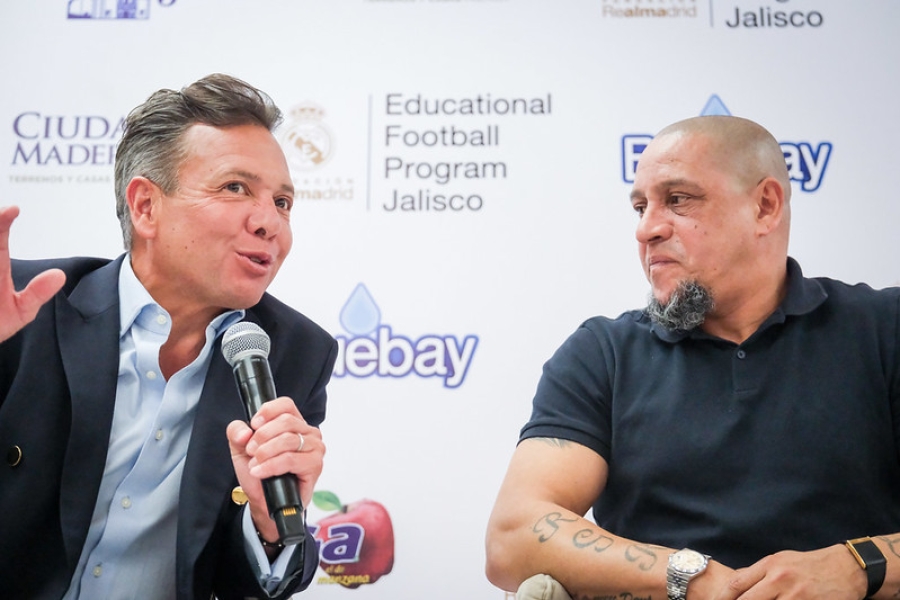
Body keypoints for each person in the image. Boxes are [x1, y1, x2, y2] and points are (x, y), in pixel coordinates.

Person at [485, 115, 900, 600]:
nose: (647, 229)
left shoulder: (883, 329)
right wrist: (693, 577)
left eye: (678, 199)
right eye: (640, 207)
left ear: (765, 206)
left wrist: (856, 567)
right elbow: (512, 537)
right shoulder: (603, 353)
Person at [0, 74, 338, 600]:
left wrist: (269, 528)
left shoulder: (296, 352)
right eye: (235, 188)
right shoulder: (24, 305)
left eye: (282, 202)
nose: (270, 222)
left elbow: (240, 582)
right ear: (145, 206)